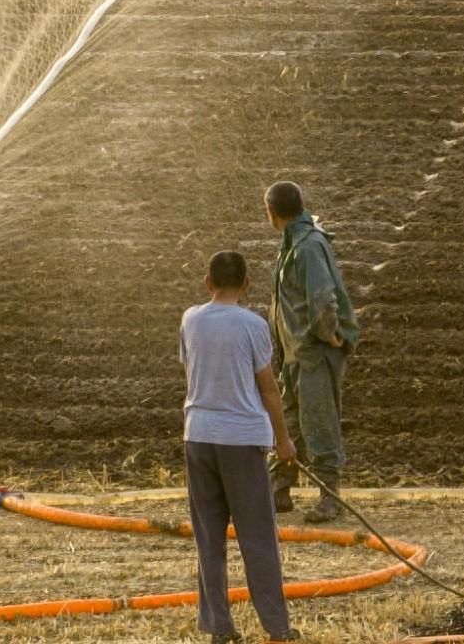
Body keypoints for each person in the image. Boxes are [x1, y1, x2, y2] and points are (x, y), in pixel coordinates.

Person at [180, 250, 302, 644]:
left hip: (198, 436)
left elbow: (191, 375)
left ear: (207, 283)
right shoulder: (254, 324)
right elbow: (268, 387)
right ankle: (277, 628)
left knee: (209, 538)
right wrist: (283, 441)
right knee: (258, 537)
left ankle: (219, 628)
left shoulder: (190, 319)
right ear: (248, 284)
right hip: (243, 440)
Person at [264, 181, 359, 522]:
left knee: (319, 421)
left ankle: (329, 499)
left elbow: (322, 298)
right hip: (295, 351)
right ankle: (279, 489)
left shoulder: (308, 246)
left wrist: (329, 334)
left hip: (313, 351)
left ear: (271, 213)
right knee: (289, 421)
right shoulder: (294, 242)